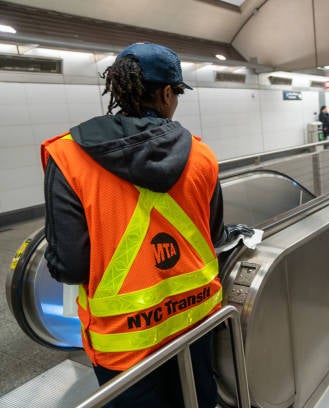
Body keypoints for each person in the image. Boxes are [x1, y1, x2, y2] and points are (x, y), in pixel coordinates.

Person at [41, 42, 245, 408]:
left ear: (118, 90)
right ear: (167, 93)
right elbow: (214, 237)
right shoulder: (201, 155)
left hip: (123, 345)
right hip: (195, 323)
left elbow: (69, 265)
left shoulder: (68, 156)